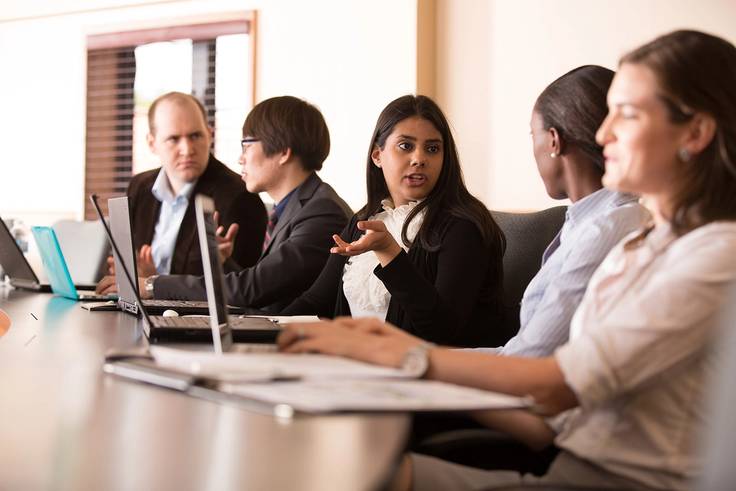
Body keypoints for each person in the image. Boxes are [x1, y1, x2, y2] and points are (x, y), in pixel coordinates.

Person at [278, 30, 736, 491]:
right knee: (339, 459)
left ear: (695, 132)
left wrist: (408, 359)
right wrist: (388, 371)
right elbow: (553, 419)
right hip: (562, 450)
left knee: (339, 467)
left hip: (599, 476)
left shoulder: (710, 253)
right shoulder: (650, 243)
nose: (601, 134)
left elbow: (555, 384)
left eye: (628, 114)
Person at [282, 95, 506, 347]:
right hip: (359, 367)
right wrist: (251, 325)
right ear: (377, 156)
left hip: (433, 375)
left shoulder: (463, 226)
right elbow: (315, 302)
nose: (419, 159)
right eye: (405, 146)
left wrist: (389, 251)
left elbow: (443, 330)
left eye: (432, 149)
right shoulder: (366, 219)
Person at [100, 96, 352, 314]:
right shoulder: (294, 208)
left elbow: (252, 289)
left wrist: (151, 285)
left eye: (247, 145)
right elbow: (266, 284)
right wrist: (225, 262)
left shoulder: (322, 214)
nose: (240, 158)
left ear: (283, 153)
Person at [479, 65, 649, 357]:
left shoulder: (607, 229)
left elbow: (530, 359)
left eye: (534, 134)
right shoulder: (585, 220)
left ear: (554, 141)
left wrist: (415, 359)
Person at [127, 91, 267, 276]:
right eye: (173, 139)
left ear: (209, 134)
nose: (187, 150)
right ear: (152, 143)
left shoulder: (240, 198)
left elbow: (241, 290)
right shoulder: (139, 187)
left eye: (195, 136)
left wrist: (152, 285)